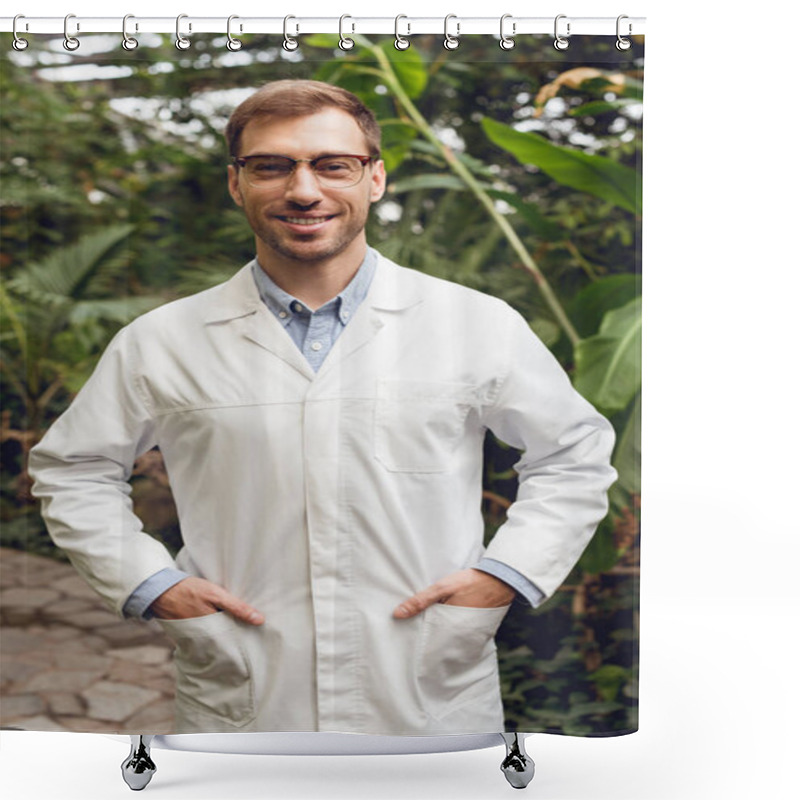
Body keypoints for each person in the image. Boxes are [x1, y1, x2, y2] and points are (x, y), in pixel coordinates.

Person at [29, 80, 617, 737]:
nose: (303, 190)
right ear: (236, 184)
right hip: (243, 687)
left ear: (375, 179)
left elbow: (573, 458)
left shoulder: (475, 324)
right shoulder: (161, 342)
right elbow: (73, 470)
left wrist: (504, 576)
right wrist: (153, 585)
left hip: (427, 681)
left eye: (333, 165)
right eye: (271, 166)